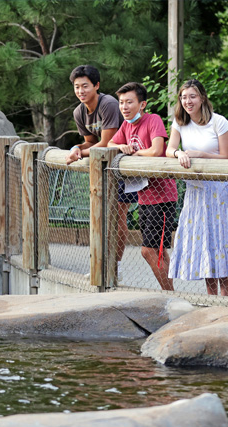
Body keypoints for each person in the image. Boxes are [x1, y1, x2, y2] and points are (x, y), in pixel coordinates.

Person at [166, 79, 228, 296]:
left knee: (221, 239)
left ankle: (225, 296)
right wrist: (179, 153)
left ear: (202, 97)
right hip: (195, 191)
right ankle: (211, 296)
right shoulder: (179, 122)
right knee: (205, 242)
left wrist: (199, 155)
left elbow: (226, 156)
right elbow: (169, 149)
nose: (187, 101)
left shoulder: (218, 122)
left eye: (192, 96)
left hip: (220, 190)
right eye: (184, 97)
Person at [108, 82, 178, 291]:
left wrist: (135, 153)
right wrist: (120, 146)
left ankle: (170, 295)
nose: (124, 107)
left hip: (162, 196)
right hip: (143, 196)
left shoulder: (152, 120)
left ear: (142, 104)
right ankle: (170, 295)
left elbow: (157, 150)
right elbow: (110, 144)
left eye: (129, 102)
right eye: (121, 102)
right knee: (158, 252)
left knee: (148, 251)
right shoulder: (126, 125)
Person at [66, 65, 134, 273]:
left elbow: (106, 143)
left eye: (85, 86)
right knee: (101, 214)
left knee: (118, 215)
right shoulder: (79, 111)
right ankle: (101, 264)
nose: (81, 91)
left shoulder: (109, 104)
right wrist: (76, 148)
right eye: (77, 87)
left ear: (96, 85)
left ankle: (116, 266)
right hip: (102, 168)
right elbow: (90, 142)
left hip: (122, 164)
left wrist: (80, 153)